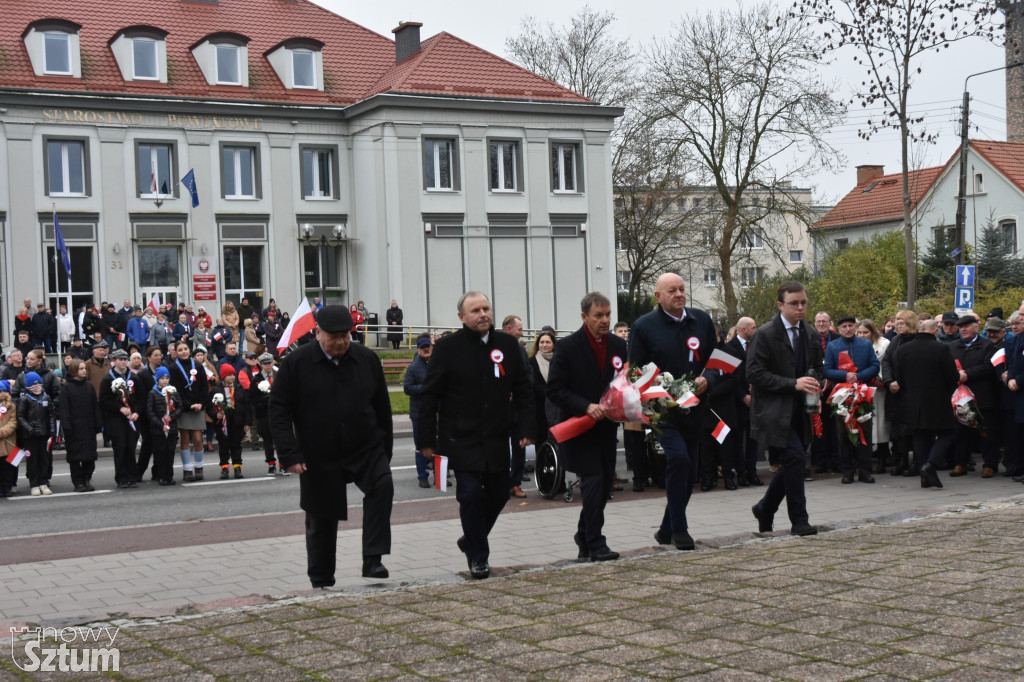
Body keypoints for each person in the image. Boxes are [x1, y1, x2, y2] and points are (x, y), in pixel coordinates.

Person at [269, 304, 394, 584]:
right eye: (333, 336)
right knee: (321, 516)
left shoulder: (367, 359)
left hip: (366, 446)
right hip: (318, 452)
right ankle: (322, 577)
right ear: (317, 332)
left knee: (382, 485)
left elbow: (382, 407)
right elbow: (278, 411)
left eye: (345, 336)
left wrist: (385, 449)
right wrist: (290, 453)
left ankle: (373, 558)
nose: (340, 342)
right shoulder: (295, 364)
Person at [416, 292, 534, 579]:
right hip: (460, 437)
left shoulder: (507, 344)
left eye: (486, 308)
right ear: (461, 317)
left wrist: (526, 428)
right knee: (469, 494)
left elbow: (523, 389)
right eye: (475, 310)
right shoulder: (447, 348)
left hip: (495, 435)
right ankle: (479, 557)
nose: (483, 314)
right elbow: (429, 395)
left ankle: (471, 538)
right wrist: (425, 440)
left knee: (498, 493)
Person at [628, 273, 717, 550]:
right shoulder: (643, 326)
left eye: (681, 289)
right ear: (658, 297)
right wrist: (654, 394)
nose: (679, 294)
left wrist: (708, 379)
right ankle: (680, 529)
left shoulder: (701, 320)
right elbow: (634, 371)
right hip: (662, 411)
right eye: (672, 290)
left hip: (694, 408)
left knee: (689, 472)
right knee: (677, 459)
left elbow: (718, 360)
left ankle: (665, 530)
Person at [547, 292, 627, 562]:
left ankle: (583, 534)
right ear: (584, 317)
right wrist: (585, 406)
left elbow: (624, 380)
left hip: (606, 428)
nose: (605, 320)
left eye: (608, 315)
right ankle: (595, 542)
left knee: (604, 485)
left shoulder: (618, 344)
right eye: (598, 316)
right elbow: (555, 390)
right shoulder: (568, 347)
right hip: (578, 426)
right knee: (593, 480)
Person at [747, 280, 823, 537]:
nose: (800, 308)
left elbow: (817, 369)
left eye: (803, 303)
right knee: (796, 459)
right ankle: (799, 520)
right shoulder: (765, 334)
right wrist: (793, 384)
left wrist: (816, 388)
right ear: (780, 305)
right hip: (773, 411)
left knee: (794, 460)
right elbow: (754, 373)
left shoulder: (810, 333)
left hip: (801, 410)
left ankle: (765, 507)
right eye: (794, 304)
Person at [895, 319, 959, 489]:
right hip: (938, 400)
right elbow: (953, 376)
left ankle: (925, 477)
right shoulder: (941, 348)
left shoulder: (903, 350)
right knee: (947, 433)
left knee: (921, 436)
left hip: (912, 401)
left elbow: (899, 378)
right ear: (935, 330)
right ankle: (930, 464)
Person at [823, 315, 880, 484]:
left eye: (850, 326)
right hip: (842, 396)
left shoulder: (865, 344)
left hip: (862, 393)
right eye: (844, 327)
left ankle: (865, 471)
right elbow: (827, 370)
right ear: (838, 330)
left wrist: (859, 376)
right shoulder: (833, 346)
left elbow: (875, 366)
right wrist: (845, 376)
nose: (847, 329)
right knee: (843, 434)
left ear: (855, 327)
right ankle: (847, 471)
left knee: (865, 432)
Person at [949, 315, 1000, 477]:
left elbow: (988, 366)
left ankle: (990, 465)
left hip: (982, 396)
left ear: (976, 326)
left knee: (986, 432)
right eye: (960, 326)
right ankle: (961, 463)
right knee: (961, 433)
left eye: (967, 326)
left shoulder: (987, 346)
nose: (963, 329)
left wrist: (967, 374)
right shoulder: (953, 346)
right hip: (960, 398)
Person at [881, 310, 919, 475]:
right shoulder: (895, 340)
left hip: (913, 393)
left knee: (915, 430)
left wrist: (901, 383)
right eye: (896, 321)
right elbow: (886, 362)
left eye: (902, 322)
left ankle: (917, 462)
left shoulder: (919, 340)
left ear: (911, 323)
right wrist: (889, 381)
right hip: (896, 393)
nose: (898, 324)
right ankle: (902, 461)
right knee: (899, 430)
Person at [726, 316, 761, 487]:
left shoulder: (758, 345)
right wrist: (742, 395)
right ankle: (741, 473)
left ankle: (752, 472)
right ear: (744, 330)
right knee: (738, 440)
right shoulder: (729, 348)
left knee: (754, 438)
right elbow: (729, 376)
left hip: (756, 399)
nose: (756, 330)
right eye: (754, 327)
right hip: (737, 401)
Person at [99, 349, 142, 488]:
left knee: (131, 447)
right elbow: (104, 400)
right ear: (114, 361)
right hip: (116, 420)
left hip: (132, 419)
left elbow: (141, 398)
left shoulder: (134, 377)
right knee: (120, 447)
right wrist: (119, 408)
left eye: (125, 359)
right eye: (120, 359)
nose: (123, 362)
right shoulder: (108, 379)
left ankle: (132, 476)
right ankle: (122, 477)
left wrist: (137, 412)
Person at [502, 314, 533, 498]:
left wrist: (518, 392)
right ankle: (501, 483)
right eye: (520, 329)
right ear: (509, 329)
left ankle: (515, 483)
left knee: (519, 445)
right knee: (499, 447)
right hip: (500, 408)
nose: (522, 333)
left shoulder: (521, 350)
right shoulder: (495, 348)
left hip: (518, 408)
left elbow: (528, 373)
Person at [169, 341, 210, 481]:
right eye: (180, 350)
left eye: (185, 348)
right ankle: (187, 469)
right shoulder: (173, 368)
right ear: (175, 352)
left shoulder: (198, 366)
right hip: (184, 409)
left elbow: (204, 387)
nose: (184, 351)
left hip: (198, 408)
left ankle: (199, 467)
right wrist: (187, 405)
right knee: (185, 438)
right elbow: (176, 390)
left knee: (198, 439)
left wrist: (201, 403)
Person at [59, 359, 102, 492]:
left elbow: (95, 406)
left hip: (88, 427)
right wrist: (67, 427)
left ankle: (87, 479)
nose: (84, 370)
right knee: (75, 458)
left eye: (84, 368)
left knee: (90, 457)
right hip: (74, 429)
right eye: (81, 368)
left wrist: (98, 423)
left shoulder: (89, 386)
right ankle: (78, 482)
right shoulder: (66, 388)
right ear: (74, 371)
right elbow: (64, 410)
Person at [857, 319, 891, 473]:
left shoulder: (883, 344)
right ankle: (866, 460)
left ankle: (883, 459)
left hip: (879, 389)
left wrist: (881, 379)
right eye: (860, 333)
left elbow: (885, 363)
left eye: (866, 332)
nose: (863, 335)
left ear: (873, 332)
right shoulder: (856, 345)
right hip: (862, 389)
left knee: (880, 425)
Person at [810, 311, 840, 475]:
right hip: (816, 389)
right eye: (818, 321)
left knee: (835, 427)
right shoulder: (810, 340)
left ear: (830, 323)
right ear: (815, 324)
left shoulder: (837, 340)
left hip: (835, 389)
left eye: (824, 321)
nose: (821, 324)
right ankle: (821, 461)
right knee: (818, 426)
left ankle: (836, 460)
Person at [17, 371, 56, 496]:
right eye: (34, 384)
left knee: (44, 459)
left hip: (44, 434)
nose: (37, 386)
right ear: (29, 386)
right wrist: (30, 429)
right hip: (31, 436)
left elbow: (51, 415)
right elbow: (20, 417)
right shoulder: (24, 399)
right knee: (32, 460)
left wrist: (51, 430)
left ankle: (43, 482)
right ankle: (34, 484)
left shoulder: (46, 397)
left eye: (39, 383)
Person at [403, 334, 433, 488]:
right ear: (419, 350)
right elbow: (407, 388)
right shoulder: (413, 368)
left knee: (437, 445)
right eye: (423, 348)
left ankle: (440, 476)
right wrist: (425, 389)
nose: (426, 349)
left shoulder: (437, 365)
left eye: (428, 346)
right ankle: (422, 476)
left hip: (436, 412)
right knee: (421, 445)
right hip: (419, 414)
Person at [210, 364, 249, 479]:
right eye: (229, 375)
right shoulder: (216, 389)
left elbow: (246, 406)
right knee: (224, 446)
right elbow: (210, 406)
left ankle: (237, 467)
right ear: (223, 377)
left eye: (233, 375)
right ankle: (224, 468)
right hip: (223, 423)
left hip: (237, 421)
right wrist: (215, 414)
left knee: (236, 445)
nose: (232, 377)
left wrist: (247, 422)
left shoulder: (239, 388)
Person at [147, 366, 182, 485]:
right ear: (157, 379)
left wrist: (172, 417)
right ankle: (161, 475)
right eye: (162, 378)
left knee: (170, 452)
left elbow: (180, 407)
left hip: (171, 427)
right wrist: (160, 423)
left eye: (167, 378)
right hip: (158, 429)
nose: (165, 380)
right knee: (160, 453)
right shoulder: (152, 393)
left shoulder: (173, 391)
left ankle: (169, 476)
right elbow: (150, 412)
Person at [248, 353, 281, 475]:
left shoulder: (279, 375)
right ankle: (271, 464)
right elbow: (253, 397)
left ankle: (283, 464)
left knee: (280, 439)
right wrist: (265, 401)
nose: (268, 366)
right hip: (264, 414)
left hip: (279, 413)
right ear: (260, 364)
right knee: (267, 440)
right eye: (265, 364)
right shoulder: (257, 379)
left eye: (269, 363)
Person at [0, 382, 17, 497]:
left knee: (8, 467)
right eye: (0, 392)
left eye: (4, 391)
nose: (2, 394)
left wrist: (2, 432)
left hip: (8, 440)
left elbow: (13, 422)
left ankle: (7, 487)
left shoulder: (11, 406)